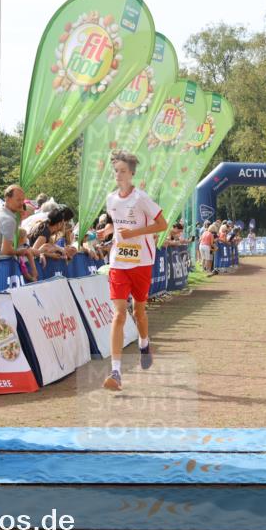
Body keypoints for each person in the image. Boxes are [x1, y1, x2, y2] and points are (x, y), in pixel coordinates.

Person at [102, 150, 167, 391]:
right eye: (115, 171)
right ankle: (116, 372)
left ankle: (144, 343)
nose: (118, 175)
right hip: (119, 261)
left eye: (122, 171)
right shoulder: (111, 199)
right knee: (119, 314)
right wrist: (108, 231)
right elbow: (116, 222)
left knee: (139, 312)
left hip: (142, 262)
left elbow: (162, 225)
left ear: (132, 174)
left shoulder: (141, 198)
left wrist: (135, 233)